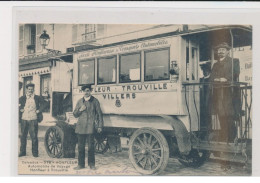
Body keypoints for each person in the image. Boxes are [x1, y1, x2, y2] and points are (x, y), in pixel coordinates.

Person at [209, 42, 240, 143]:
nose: (220, 51)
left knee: (230, 116)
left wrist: (226, 79)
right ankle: (224, 139)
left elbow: (236, 73)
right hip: (218, 94)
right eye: (219, 50)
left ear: (228, 51)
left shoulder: (234, 61)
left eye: (223, 49)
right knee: (221, 116)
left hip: (230, 93)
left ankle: (231, 139)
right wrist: (218, 79)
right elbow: (212, 77)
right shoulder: (215, 64)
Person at [73, 84, 104, 170]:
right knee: (80, 147)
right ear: (82, 92)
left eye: (88, 91)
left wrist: (100, 126)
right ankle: (80, 164)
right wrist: (80, 110)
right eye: (84, 91)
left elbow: (99, 114)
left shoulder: (95, 101)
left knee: (91, 147)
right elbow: (75, 114)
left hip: (90, 127)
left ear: (90, 91)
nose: (86, 92)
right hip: (81, 127)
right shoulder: (79, 101)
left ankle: (91, 164)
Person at [19, 83, 46, 157]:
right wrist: (20, 109)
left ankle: (35, 153)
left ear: (33, 89)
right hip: (24, 119)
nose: (30, 91)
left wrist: (39, 110)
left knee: (34, 137)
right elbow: (16, 105)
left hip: (33, 119)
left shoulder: (37, 98)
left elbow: (45, 104)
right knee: (23, 136)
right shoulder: (22, 98)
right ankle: (22, 152)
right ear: (26, 89)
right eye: (29, 89)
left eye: (32, 89)